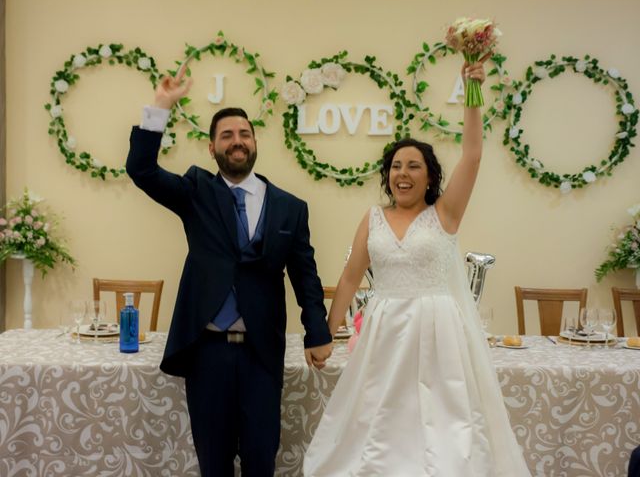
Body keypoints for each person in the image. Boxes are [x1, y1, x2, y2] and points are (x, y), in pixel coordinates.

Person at [304, 59, 531, 476]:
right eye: (395, 166)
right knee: (379, 426)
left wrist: (472, 94)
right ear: (387, 176)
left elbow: (474, 155)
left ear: (429, 178)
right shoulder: (372, 218)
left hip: (438, 332)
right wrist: (324, 332)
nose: (402, 174)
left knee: (443, 430)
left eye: (413, 166)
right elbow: (351, 276)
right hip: (384, 331)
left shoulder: (445, 213)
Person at [126, 67, 333, 477]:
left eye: (244, 134)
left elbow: (304, 276)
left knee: (261, 460)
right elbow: (142, 170)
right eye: (227, 135)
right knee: (214, 463)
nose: (237, 141)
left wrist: (317, 331)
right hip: (208, 352)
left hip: (262, 352)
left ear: (255, 143)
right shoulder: (196, 192)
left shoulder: (290, 207)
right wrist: (160, 108)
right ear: (211, 147)